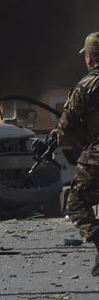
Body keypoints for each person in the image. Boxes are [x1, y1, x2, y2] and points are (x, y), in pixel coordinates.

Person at [55, 32, 99, 277]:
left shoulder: (86, 85)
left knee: (75, 203)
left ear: (90, 58)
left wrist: (62, 134)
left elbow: (65, 126)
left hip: (96, 153)